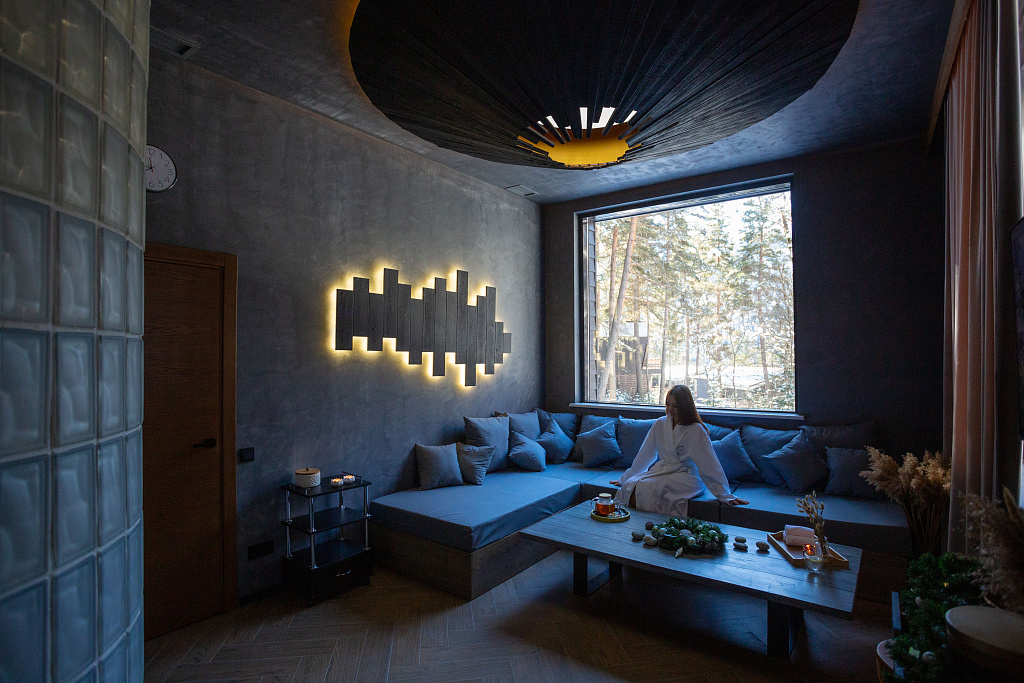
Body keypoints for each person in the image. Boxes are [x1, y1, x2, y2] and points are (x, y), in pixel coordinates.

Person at [611, 385, 749, 516]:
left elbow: (709, 464)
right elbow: (646, 453)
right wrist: (628, 477)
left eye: (675, 406)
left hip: (687, 477)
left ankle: (652, 523)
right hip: (664, 471)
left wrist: (725, 495)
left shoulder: (696, 430)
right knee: (631, 485)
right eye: (668, 404)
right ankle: (632, 524)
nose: (670, 409)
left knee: (647, 487)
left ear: (685, 406)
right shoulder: (660, 424)